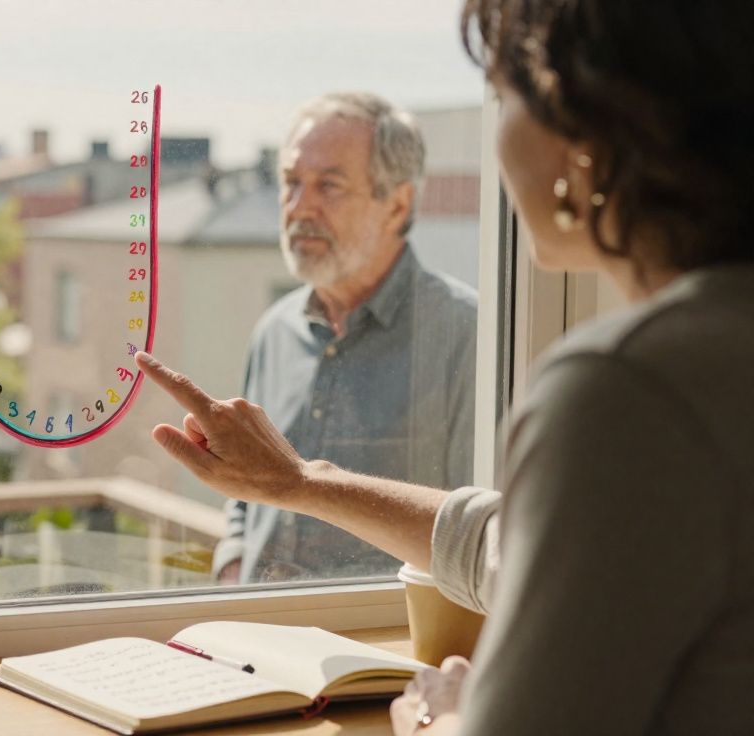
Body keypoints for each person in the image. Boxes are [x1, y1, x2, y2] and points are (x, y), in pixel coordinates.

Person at [134, 0, 754, 731]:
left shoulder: (626, 390)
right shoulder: (707, 356)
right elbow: (509, 540)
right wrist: (301, 483)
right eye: (290, 181)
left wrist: (445, 716)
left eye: (506, 95)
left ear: (585, 129)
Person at [215, 92, 477, 585]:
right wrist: (233, 562)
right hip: (252, 638)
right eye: (291, 183)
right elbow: (245, 490)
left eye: (329, 186)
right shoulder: (275, 331)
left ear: (397, 205)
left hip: (380, 645)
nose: (299, 207)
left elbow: (482, 529)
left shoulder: (465, 335)